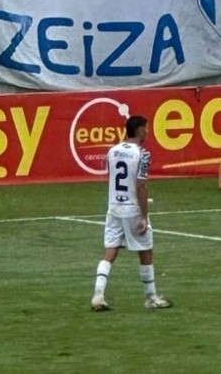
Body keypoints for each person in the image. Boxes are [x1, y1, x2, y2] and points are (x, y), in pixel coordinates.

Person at [91, 115, 172, 311]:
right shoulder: (143, 154)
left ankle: (98, 295)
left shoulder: (112, 151)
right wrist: (144, 216)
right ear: (140, 130)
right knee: (146, 251)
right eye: (147, 128)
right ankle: (151, 297)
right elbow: (141, 185)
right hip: (132, 209)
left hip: (113, 208)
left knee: (110, 250)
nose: (148, 132)